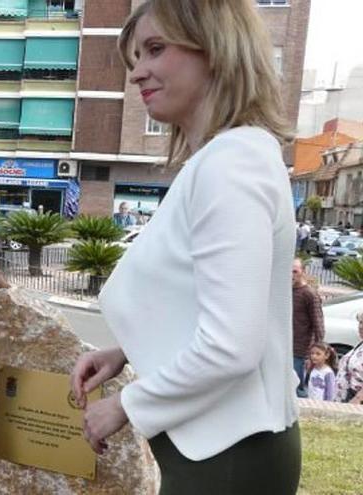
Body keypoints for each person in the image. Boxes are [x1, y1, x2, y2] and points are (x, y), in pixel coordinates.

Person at [71, 1, 301, 493]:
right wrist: (126, 351)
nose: (138, 74)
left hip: (226, 457)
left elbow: (232, 346)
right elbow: (205, 302)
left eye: (156, 49)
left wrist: (126, 405)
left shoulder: (229, 165)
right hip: (224, 448)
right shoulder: (232, 156)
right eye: (135, 58)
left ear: (216, 49)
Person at [292, 258, 324, 397]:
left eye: (295, 271)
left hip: (300, 351)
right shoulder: (285, 291)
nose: (291, 275)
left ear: (303, 272)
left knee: (298, 388)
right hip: (284, 348)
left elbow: (318, 324)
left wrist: (316, 351)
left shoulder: (309, 294)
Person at [335, 312, 363, 404]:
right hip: (348, 396)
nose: (361, 327)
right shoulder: (360, 344)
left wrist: (358, 399)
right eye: (360, 322)